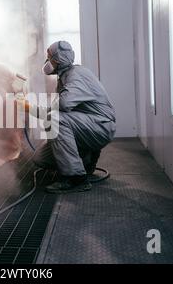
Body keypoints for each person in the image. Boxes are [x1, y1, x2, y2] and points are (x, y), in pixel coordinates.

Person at [20, 41, 116, 194]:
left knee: (54, 120)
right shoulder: (66, 76)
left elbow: (61, 106)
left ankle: (76, 178)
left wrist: (29, 108)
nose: (47, 61)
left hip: (101, 126)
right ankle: (86, 163)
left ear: (57, 61)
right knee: (40, 158)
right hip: (89, 126)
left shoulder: (76, 76)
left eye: (49, 57)